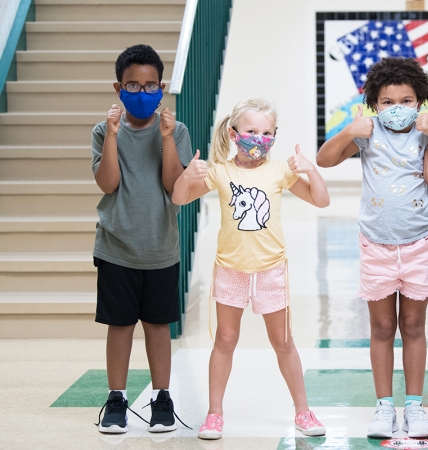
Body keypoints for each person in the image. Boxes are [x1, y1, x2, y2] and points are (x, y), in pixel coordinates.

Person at [171, 98, 331, 439]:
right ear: (233, 134)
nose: (259, 138)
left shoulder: (279, 172)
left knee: (283, 341)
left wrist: (310, 169)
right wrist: (187, 176)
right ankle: (214, 414)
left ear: (274, 136)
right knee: (225, 340)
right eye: (251, 131)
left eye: (267, 132)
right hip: (231, 270)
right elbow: (179, 198)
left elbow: (321, 199)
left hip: (271, 270)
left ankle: (303, 412)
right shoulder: (219, 171)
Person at [316, 57, 428, 439]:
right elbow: (324, 159)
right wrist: (348, 130)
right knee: (382, 327)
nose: (398, 109)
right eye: (388, 102)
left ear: (420, 101)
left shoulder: (425, 133)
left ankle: (415, 406)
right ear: (374, 104)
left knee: (412, 325)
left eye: (407, 100)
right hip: (376, 244)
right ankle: (384, 406)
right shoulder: (367, 132)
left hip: (419, 242)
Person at [92, 44, 193, 434]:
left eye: (149, 85)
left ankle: (161, 398)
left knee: (157, 326)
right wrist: (114, 136)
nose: (141, 92)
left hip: (160, 248)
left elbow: (173, 186)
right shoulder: (103, 131)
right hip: (116, 247)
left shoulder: (177, 130)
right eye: (132, 85)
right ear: (118, 87)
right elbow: (109, 182)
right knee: (119, 326)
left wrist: (167, 138)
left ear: (162, 88)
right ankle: (116, 398)